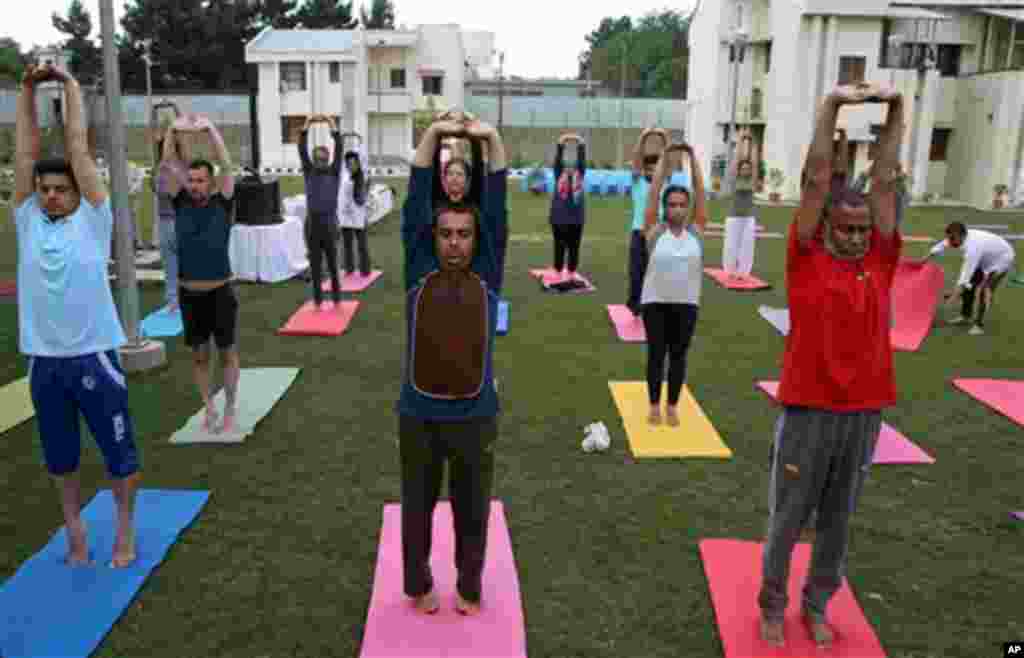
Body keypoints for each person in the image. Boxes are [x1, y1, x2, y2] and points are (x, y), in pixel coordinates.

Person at [759, 81, 904, 649]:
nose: (854, 238)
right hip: (808, 410)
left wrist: (897, 110)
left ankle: (816, 603)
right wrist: (832, 106)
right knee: (789, 516)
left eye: (862, 231)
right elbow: (817, 179)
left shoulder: (881, 260)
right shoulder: (805, 258)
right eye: (844, 229)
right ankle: (772, 602)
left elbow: (887, 181)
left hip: (864, 411)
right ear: (825, 229)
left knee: (838, 523)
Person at [14, 64, 141, 568]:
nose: (50, 194)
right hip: (45, 362)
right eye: (44, 189)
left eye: (59, 189)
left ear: (75, 193)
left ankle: (125, 533)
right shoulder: (26, 221)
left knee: (118, 455)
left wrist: (67, 85)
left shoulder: (93, 219)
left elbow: (79, 151)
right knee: (61, 460)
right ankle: (75, 532)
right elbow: (24, 152)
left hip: (93, 357)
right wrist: (26, 91)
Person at [398, 113, 508, 617]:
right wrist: (437, 133)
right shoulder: (418, 267)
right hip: (418, 413)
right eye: (447, 234)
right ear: (434, 237)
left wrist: (487, 138)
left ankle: (468, 586)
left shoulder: (487, 272)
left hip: (474, 413)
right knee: (417, 507)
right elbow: (419, 191)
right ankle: (418, 584)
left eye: (464, 234)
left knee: (472, 509)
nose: (456, 243)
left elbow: (498, 205)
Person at [161, 114, 239, 434]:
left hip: (220, 292)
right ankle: (208, 406)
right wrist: (171, 131)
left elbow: (227, 165)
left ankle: (231, 406)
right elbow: (167, 165)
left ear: (211, 182)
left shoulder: (223, 204)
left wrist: (210, 131)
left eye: (200, 180)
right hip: (190, 294)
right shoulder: (179, 203)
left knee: (227, 354)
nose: (194, 185)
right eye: (190, 180)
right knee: (199, 357)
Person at [639, 142, 707, 426]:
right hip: (655, 302)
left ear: (688, 208)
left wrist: (692, 158)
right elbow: (653, 194)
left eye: (682, 205)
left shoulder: (697, 232)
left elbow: (701, 195)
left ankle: (672, 406)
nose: (677, 209)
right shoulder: (654, 232)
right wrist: (666, 158)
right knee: (656, 355)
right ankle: (654, 405)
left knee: (678, 356)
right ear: (665, 208)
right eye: (672, 204)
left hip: (687, 304)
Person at [925, 222, 1016, 335]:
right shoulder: (957, 236)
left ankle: (979, 325)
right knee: (970, 286)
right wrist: (925, 260)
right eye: (949, 238)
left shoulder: (973, 249)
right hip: (985, 257)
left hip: (1002, 259)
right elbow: (941, 246)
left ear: (962, 236)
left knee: (985, 290)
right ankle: (965, 316)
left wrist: (954, 295)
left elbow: (965, 277)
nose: (950, 242)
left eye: (953, 239)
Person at [298, 114, 343, 308]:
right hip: (313, 224)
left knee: (333, 265)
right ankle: (317, 301)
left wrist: (331, 124)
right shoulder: (309, 171)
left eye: (323, 157)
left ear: (328, 158)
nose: (319, 160)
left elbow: (339, 146)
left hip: (329, 223)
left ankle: (336, 300)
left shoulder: (334, 171)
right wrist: (307, 124)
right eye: (317, 157)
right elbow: (302, 148)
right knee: (315, 265)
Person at [627, 128, 670, 316]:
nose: (652, 171)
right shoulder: (637, 182)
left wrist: (663, 137)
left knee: (658, 273)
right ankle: (635, 304)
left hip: (660, 233)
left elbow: (668, 157)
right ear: (644, 169)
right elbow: (637, 158)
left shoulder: (664, 182)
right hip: (639, 232)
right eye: (648, 168)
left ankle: (655, 305)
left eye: (655, 168)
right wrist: (644, 136)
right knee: (636, 272)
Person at [153, 111, 193, 312]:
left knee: (172, 266)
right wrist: (176, 123)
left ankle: (174, 301)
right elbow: (180, 148)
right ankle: (176, 301)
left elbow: (176, 148)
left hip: (173, 222)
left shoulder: (166, 168)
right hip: (172, 222)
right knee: (179, 265)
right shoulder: (179, 168)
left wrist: (173, 126)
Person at [722, 127, 763, 281]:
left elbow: (754, 161)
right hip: (733, 216)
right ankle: (730, 270)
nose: (746, 169)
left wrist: (751, 141)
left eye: (748, 168)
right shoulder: (734, 179)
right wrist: (741, 140)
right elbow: (736, 159)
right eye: (743, 168)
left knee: (746, 246)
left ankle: (744, 272)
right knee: (731, 244)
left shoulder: (752, 181)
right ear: (739, 170)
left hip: (748, 217)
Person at [549, 133, 587, 281]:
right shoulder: (559, 176)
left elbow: (582, 161)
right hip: (559, 219)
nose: (570, 168)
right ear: (564, 168)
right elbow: (558, 160)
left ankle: (571, 271)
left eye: (573, 166)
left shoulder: (579, 176)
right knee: (559, 246)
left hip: (576, 219)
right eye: (567, 166)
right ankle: (558, 271)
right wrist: (561, 142)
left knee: (574, 247)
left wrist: (581, 143)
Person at [337, 132, 373, 278]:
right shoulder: (343, 174)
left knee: (362, 245)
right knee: (347, 244)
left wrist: (360, 140)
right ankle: (349, 269)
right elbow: (338, 159)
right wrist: (340, 141)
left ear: (358, 164)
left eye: (354, 163)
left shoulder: (362, 174)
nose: (351, 166)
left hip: (358, 215)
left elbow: (363, 156)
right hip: (345, 215)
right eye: (348, 164)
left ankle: (365, 270)